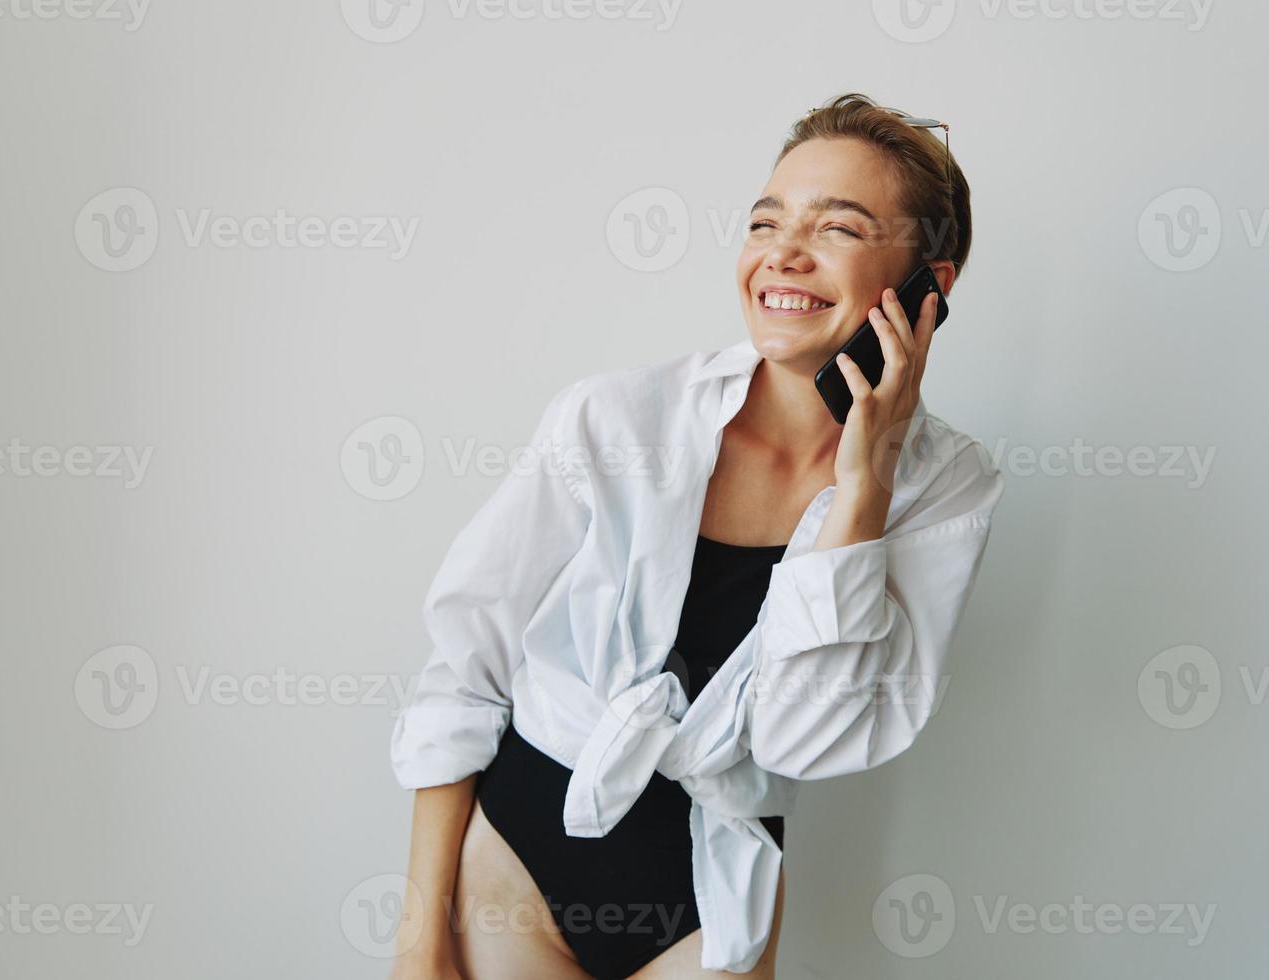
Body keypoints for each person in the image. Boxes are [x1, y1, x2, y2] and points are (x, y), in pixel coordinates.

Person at [387, 92, 1005, 980]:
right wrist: (417, 946)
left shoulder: (948, 488)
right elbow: (463, 672)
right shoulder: (615, 420)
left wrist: (862, 490)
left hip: (714, 890)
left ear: (928, 287)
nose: (782, 254)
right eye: (765, 221)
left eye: (836, 228)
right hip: (519, 858)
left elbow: (803, 742)